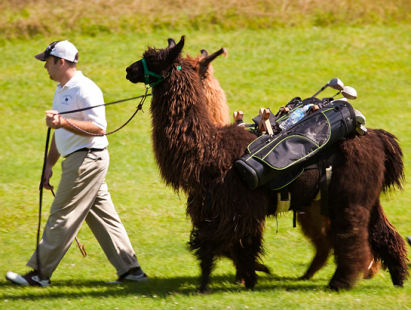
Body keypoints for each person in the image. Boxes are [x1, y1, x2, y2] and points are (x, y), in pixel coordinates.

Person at [6, 40, 147, 287]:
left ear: (60, 62)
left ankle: (40, 274)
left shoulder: (85, 88)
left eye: (47, 62)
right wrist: (49, 164)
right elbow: (61, 135)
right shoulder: (61, 90)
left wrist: (63, 123)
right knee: (102, 216)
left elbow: (99, 128)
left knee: (62, 213)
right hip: (80, 158)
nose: (45, 67)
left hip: (87, 158)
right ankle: (131, 271)